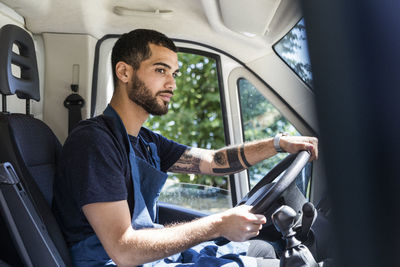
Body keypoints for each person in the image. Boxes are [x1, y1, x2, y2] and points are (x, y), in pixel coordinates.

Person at [53, 29, 318, 267]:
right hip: (115, 261)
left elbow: (214, 161)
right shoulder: (95, 142)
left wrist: (278, 144)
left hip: (149, 258)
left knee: (264, 253)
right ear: (124, 72)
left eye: (174, 73)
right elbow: (124, 250)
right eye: (160, 70)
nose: (172, 84)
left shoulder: (147, 141)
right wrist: (219, 225)